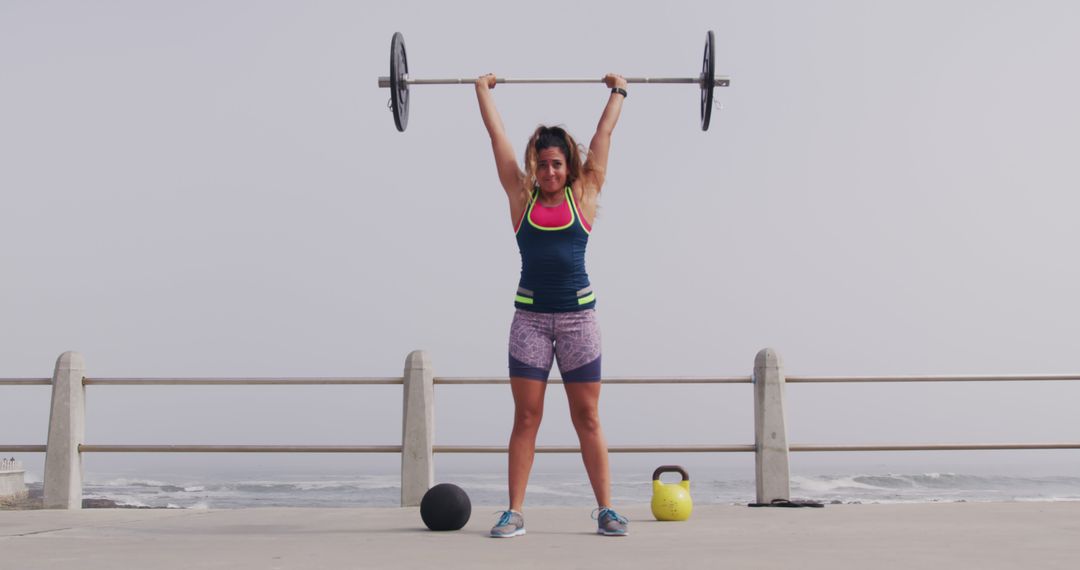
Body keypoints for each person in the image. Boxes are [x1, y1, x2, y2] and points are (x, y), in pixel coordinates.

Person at [475, 72, 629, 537]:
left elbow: (604, 134)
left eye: (557, 164)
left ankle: (606, 510)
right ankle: (514, 512)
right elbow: (497, 135)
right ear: (534, 166)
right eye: (542, 164)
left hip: (580, 321)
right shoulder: (520, 198)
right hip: (530, 322)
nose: (549, 172)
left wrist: (618, 92)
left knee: (587, 417)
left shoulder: (583, 195)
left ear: (569, 166)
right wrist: (482, 92)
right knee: (526, 417)